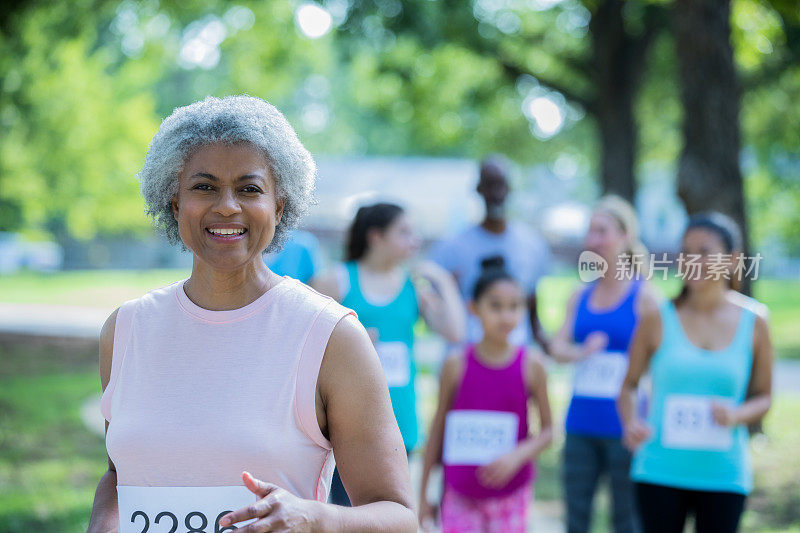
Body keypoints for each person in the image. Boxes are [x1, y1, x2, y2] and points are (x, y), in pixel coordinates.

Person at [86, 95, 416, 533]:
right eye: (203, 186)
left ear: (279, 207)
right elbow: (117, 477)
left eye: (249, 188)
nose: (226, 206)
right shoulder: (125, 330)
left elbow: (400, 518)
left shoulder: (331, 337)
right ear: (173, 202)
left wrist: (314, 516)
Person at [618, 212, 773, 533]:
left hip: (724, 475)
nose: (691, 261)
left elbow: (764, 397)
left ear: (732, 260)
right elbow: (630, 386)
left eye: (704, 251)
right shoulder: (656, 317)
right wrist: (631, 421)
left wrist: (737, 414)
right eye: (685, 252)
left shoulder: (755, 321)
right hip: (658, 470)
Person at [313, 202, 465, 506]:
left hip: (401, 421)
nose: (415, 240)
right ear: (376, 237)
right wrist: (348, 344)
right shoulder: (337, 280)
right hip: (349, 421)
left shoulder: (414, 287)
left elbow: (455, 333)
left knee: (391, 514)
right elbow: (305, 339)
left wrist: (444, 282)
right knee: (348, 514)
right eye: (404, 231)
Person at [418, 256, 553, 533]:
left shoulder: (532, 365)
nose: (506, 316)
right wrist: (423, 495)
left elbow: (549, 431)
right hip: (459, 494)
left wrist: (517, 455)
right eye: (495, 306)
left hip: (511, 495)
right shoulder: (456, 365)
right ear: (473, 308)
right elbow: (437, 429)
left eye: (514, 307)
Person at [549, 195, 658, 533]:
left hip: (624, 427)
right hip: (580, 423)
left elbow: (658, 364)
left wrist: (646, 418)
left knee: (627, 519)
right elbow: (556, 347)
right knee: (576, 517)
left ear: (624, 236)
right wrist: (580, 353)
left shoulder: (646, 297)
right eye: (590, 232)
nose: (593, 240)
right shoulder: (579, 295)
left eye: (602, 231)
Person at [428, 155, 551, 349]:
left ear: (510, 189)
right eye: (489, 186)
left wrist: (544, 345)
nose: (496, 194)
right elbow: (432, 303)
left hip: (516, 356)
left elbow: (532, 301)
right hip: (467, 355)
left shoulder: (532, 244)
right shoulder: (452, 247)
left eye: (501, 185)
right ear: (478, 189)